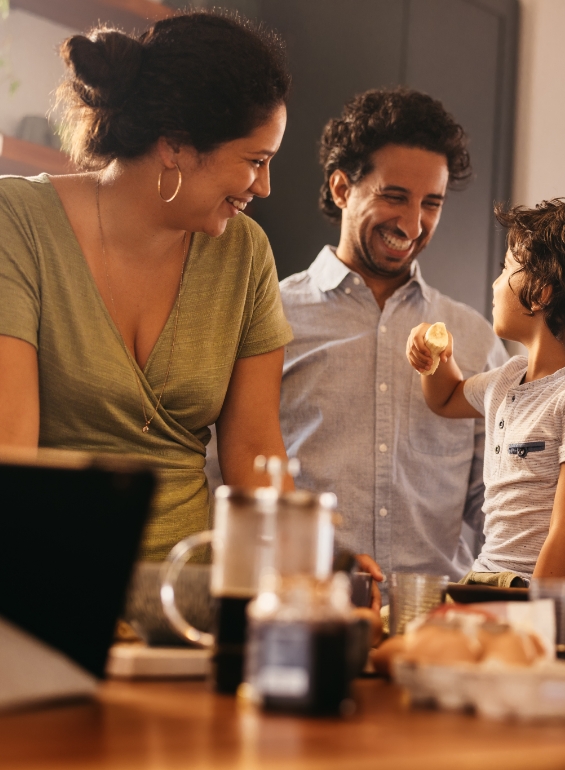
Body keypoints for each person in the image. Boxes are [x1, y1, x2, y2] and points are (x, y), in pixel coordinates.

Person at [0, 12, 294, 560]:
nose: (265, 186)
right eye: (255, 161)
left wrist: (304, 569)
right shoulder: (16, 221)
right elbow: (10, 453)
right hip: (48, 586)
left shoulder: (244, 253)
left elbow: (255, 452)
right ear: (176, 145)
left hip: (186, 603)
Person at [278, 88, 509, 589]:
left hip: (434, 627)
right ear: (342, 189)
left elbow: (495, 499)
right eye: (395, 196)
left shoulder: (475, 339)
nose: (413, 223)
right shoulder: (270, 315)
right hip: (302, 608)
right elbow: (229, 476)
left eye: (432, 203)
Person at [406, 200, 565, 580]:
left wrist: (536, 618)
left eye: (507, 268)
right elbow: (445, 397)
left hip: (546, 597)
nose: (495, 283)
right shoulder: (507, 380)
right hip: (493, 578)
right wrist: (433, 352)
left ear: (541, 292)